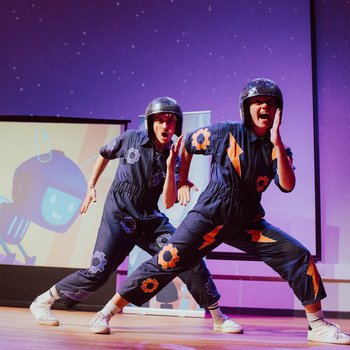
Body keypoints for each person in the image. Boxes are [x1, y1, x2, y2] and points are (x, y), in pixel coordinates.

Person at [91, 79, 350, 345]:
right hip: (210, 214)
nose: (264, 106)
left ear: (278, 111)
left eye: (270, 103)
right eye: (257, 102)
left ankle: (317, 324)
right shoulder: (225, 132)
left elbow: (287, 184)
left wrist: (277, 141)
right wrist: (182, 180)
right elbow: (187, 144)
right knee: (166, 261)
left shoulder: (279, 149)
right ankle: (106, 312)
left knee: (297, 256)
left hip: (246, 221)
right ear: (245, 108)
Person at [30, 96, 241, 335]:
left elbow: (169, 202)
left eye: (170, 122)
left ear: (177, 126)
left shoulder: (176, 157)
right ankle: (43, 301)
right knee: (98, 272)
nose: (165, 126)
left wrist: (173, 169)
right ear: (151, 122)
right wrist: (90, 185)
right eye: (160, 120)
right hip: (118, 214)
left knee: (186, 254)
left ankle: (218, 317)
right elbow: (104, 153)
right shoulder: (131, 139)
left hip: (149, 218)